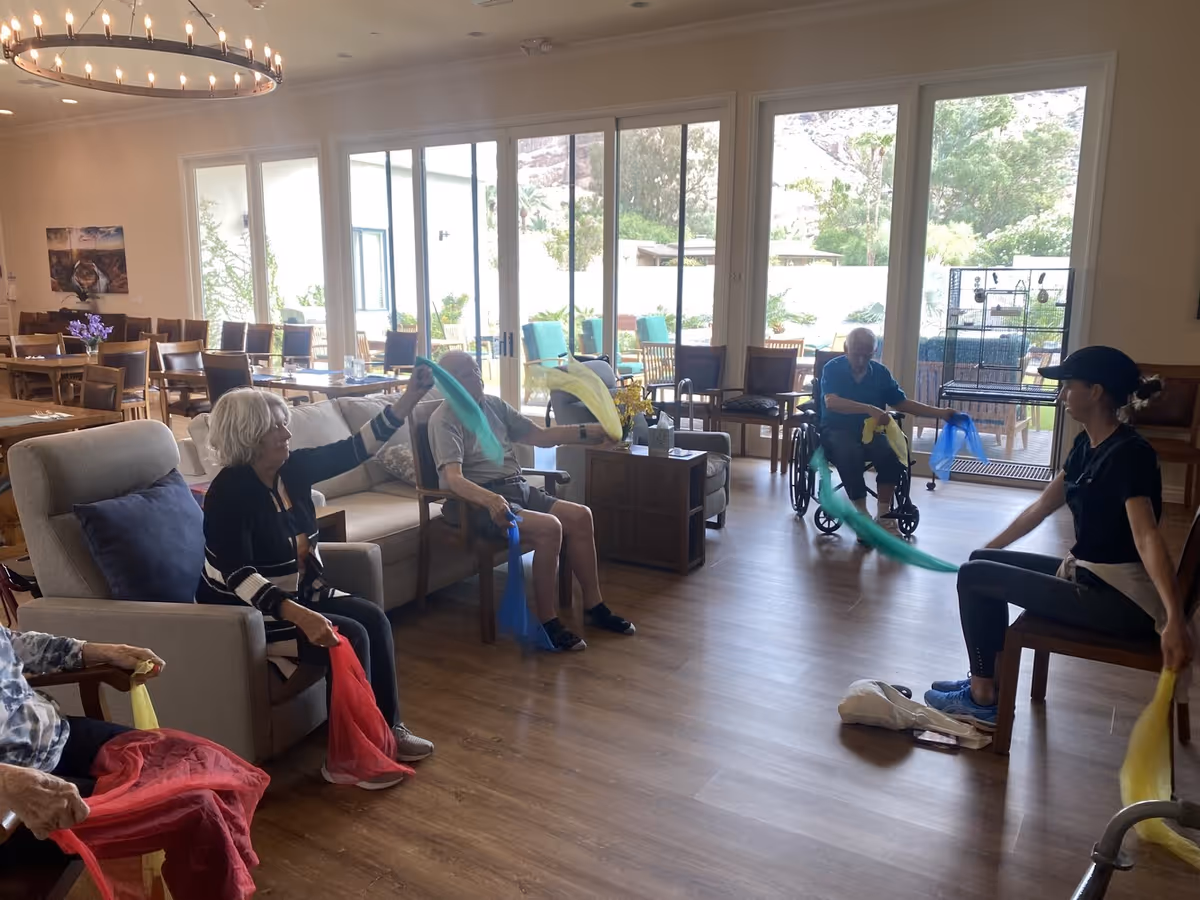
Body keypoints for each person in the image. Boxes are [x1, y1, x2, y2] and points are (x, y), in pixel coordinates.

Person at [925, 346, 1194, 728]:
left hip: (1118, 600)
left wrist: (1175, 620)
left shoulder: (1129, 454)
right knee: (980, 563)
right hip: (1091, 576)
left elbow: (1147, 537)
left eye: (1067, 386)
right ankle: (990, 680)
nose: (1060, 395)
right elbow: (1041, 508)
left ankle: (983, 697)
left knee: (974, 576)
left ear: (1096, 391)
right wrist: (988, 548)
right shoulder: (1087, 445)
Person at [198, 370, 436, 787]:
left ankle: (387, 730)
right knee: (350, 635)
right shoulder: (227, 494)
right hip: (247, 614)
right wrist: (302, 616)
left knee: (373, 620)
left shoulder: (293, 469)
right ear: (250, 435)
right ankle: (346, 757)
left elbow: (356, 448)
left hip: (300, 595)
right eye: (276, 426)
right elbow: (239, 575)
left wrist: (408, 399)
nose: (287, 432)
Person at [429, 351, 636, 652]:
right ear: (448, 385)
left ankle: (595, 608)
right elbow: (454, 479)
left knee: (581, 516)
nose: (475, 377)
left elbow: (539, 435)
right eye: (464, 374)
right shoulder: (444, 419)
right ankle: (547, 622)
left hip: (516, 488)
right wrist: (491, 500)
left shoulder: (494, 406)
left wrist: (587, 432)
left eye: (475, 369)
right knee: (550, 528)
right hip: (476, 504)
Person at [0, 627, 162, 838]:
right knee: (179, 808)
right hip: (18, 791)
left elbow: (11, 643)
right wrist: (5, 780)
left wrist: (100, 652)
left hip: (55, 732)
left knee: (186, 763)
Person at [820, 327, 956, 532]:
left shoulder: (880, 373)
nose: (861, 359)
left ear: (874, 352)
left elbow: (901, 404)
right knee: (850, 452)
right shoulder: (833, 368)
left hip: (871, 433)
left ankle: (883, 514)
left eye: (866, 353)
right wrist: (868, 408)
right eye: (857, 352)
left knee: (892, 455)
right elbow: (832, 402)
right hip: (836, 430)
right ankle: (862, 514)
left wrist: (941, 413)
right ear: (846, 348)